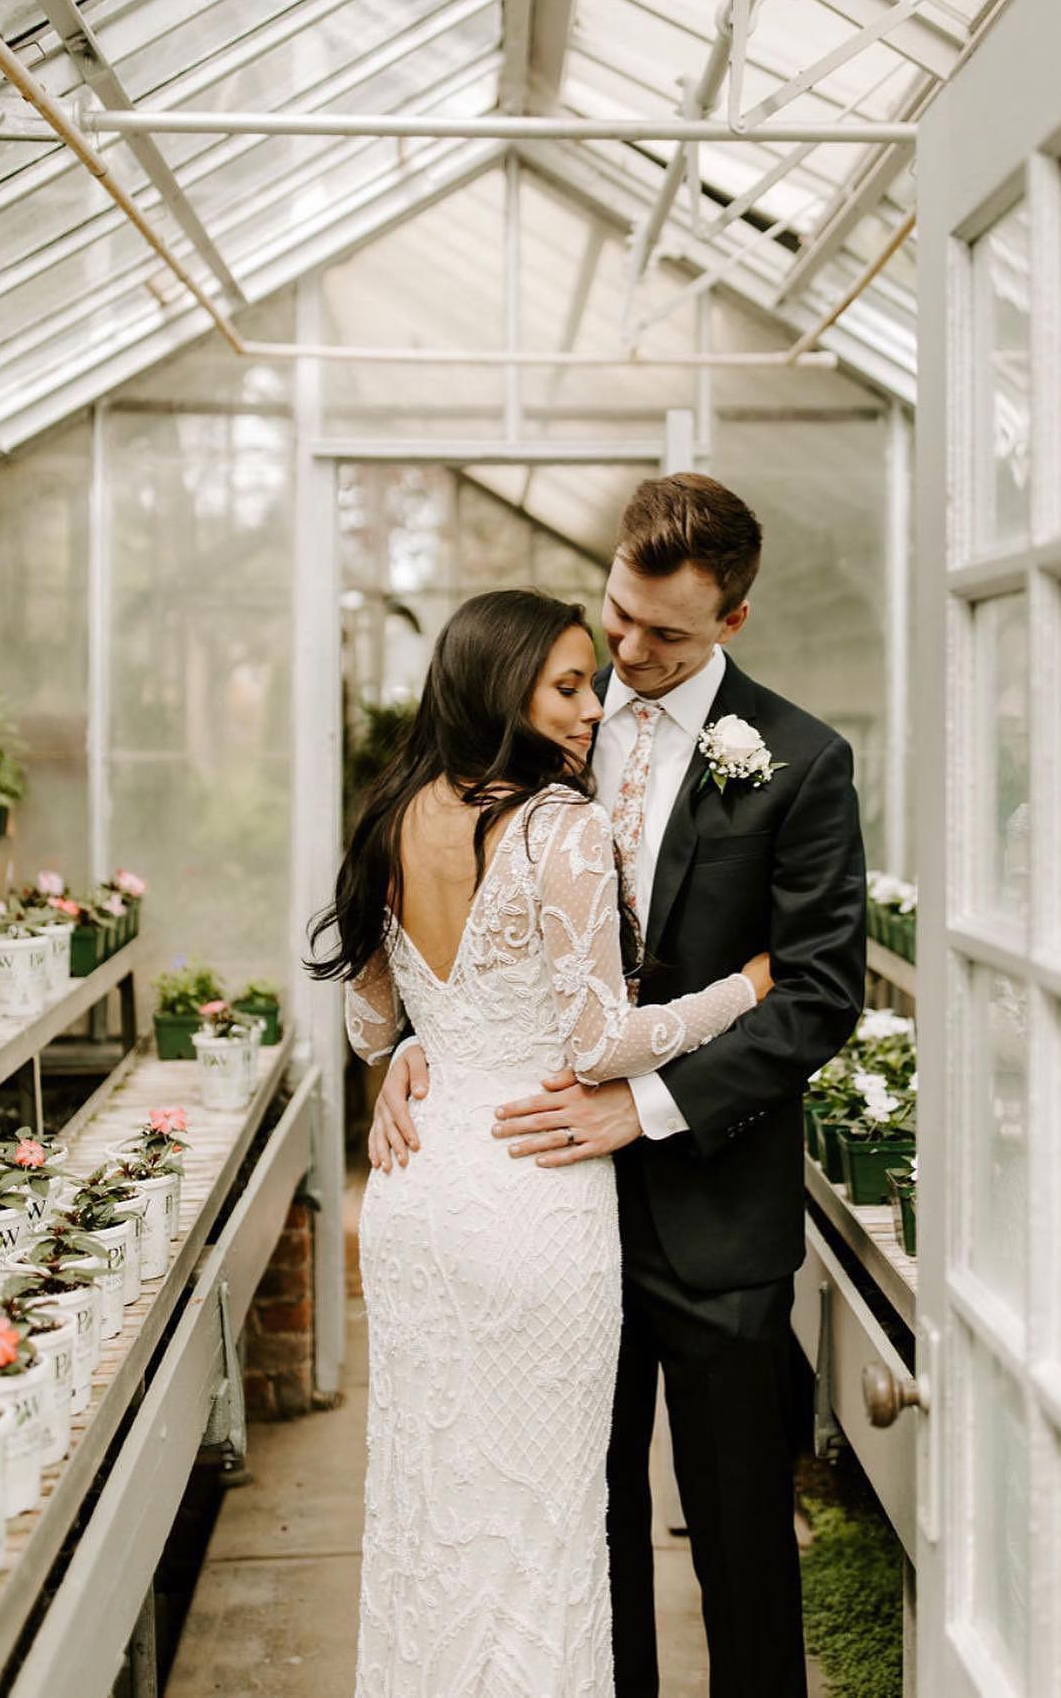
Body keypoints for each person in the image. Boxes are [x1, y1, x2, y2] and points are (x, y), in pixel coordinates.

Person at [373, 475, 869, 1698]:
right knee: (577, 1541)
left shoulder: (798, 761)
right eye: (617, 619)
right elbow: (457, 931)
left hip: (713, 1217)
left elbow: (817, 992)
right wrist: (411, 1045)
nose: (628, 656)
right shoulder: (543, 737)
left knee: (743, 1546)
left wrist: (643, 1106)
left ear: (734, 622)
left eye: (666, 635)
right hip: (544, 1214)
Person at [308, 587, 773, 1698]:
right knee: (541, 1517)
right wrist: (740, 990)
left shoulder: (391, 815)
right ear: (498, 683)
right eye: (568, 684)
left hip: (421, 1193)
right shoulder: (558, 823)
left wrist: (418, 1053)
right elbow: (602, 1038)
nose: (593, 705)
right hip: (534, 1193)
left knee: (432, 1504)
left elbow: (373, 1021)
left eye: (589, 681)